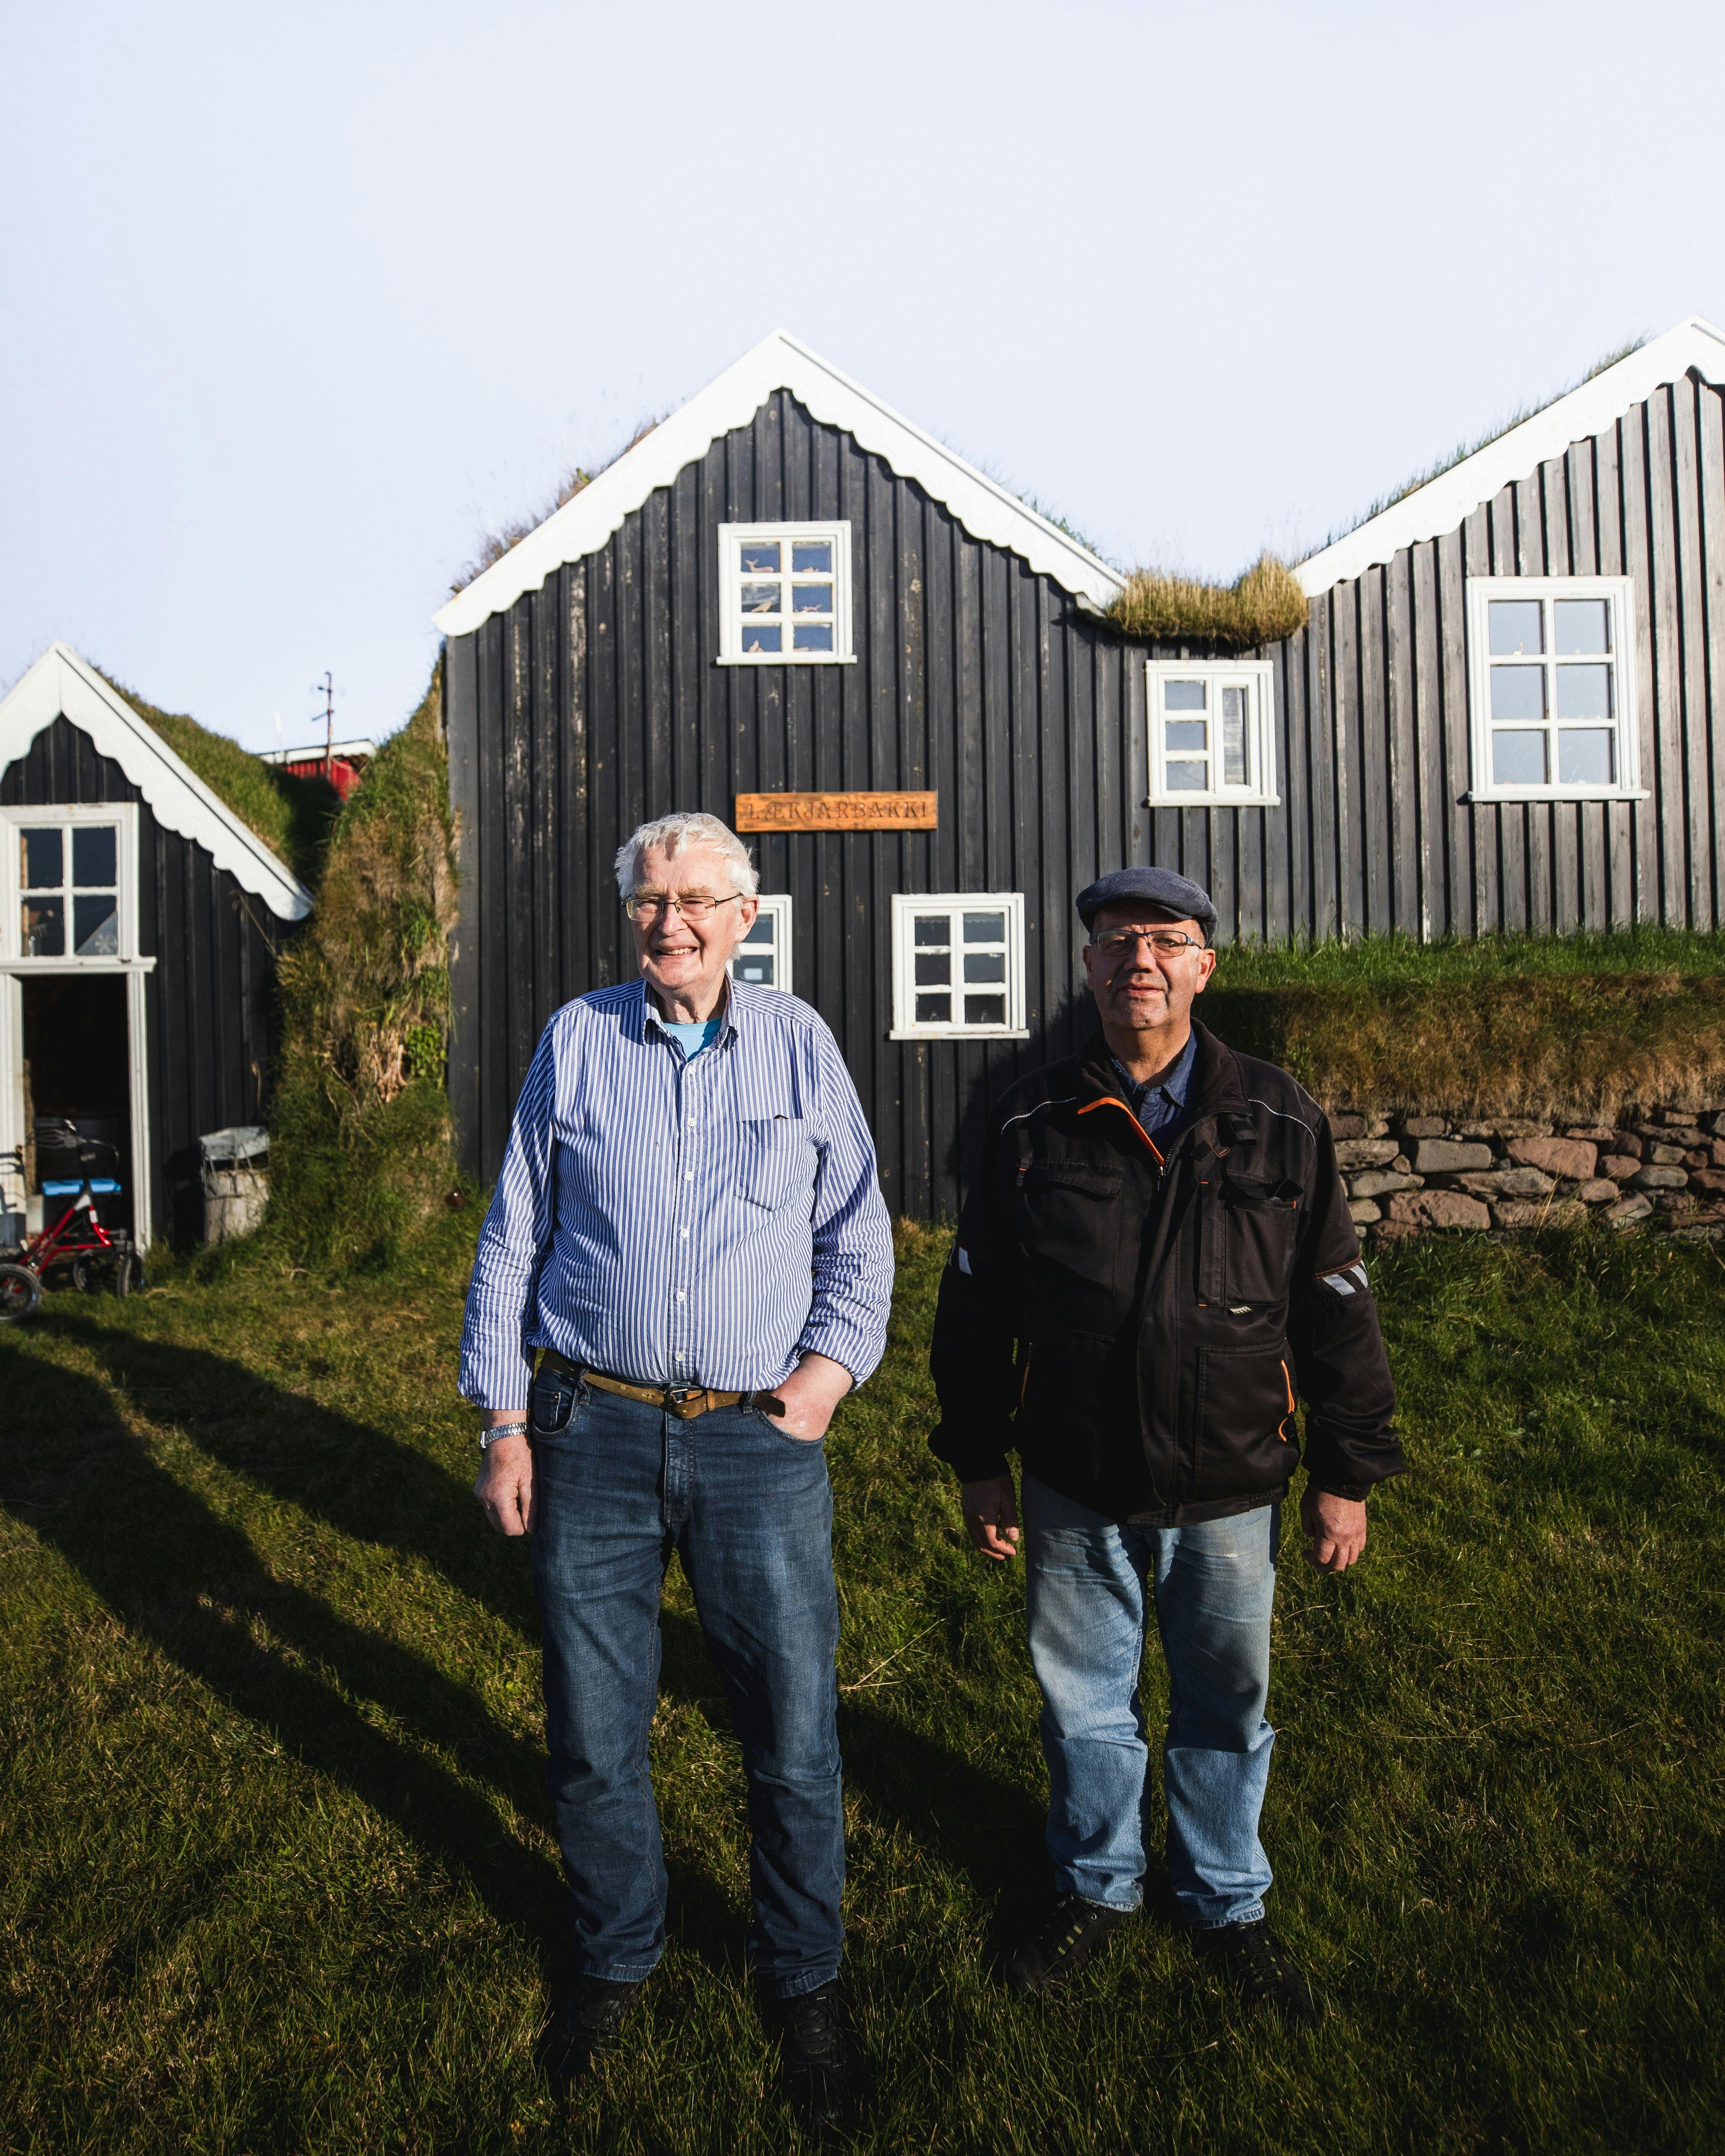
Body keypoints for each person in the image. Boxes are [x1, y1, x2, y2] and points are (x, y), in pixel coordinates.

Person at [462, 811, 893, 2129]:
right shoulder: (578, 1041)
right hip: (591, 1426)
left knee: (794, 1728)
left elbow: (858, 1233)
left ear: (745, 919)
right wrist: (503, 1422)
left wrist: (821, 1382)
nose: (674, 924)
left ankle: (801, 1976)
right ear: (630, 916)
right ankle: (615, 1954)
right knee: (596, 1731)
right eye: (653, 902)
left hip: (757, 1438)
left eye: (700, 901)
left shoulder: (802, 1044)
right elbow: (512, 1234)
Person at [928, 866, 1401, 2020]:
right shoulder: (1031, 1117)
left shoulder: (1279, 1116)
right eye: (1115, 942)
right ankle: (1097, 1885)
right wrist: (980, 1455)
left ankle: (1226, 1898)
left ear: (1204, 964)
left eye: (1165, 940)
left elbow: (1336, 1299)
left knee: (1224, 1707)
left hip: (1231, 1480)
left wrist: (1347, 1471)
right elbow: (976, 1298)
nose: (1137, 960)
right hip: (1074, 1474)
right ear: (1087, 967)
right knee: (1086, 1702)